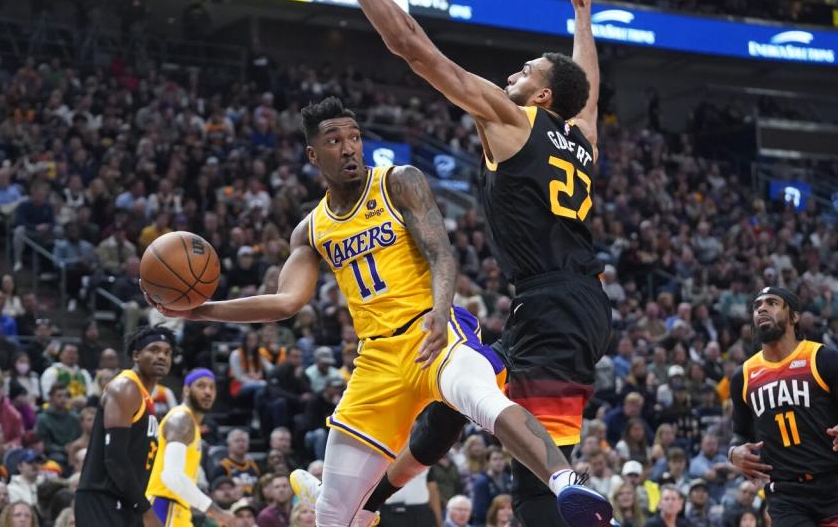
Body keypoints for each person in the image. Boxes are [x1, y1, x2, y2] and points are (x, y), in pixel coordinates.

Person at [297, 0, 611, 525]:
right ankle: (370, 505)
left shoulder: (512, 118)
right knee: (447, 404)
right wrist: (582, 18)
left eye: (524, 71)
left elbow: (413, 45)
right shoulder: (580, 139)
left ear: (539, 93)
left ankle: (577, 500)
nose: (512, 75)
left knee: (541, 483)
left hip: (553, 306)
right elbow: (589, 92)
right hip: (570, 304)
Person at [148, 97, 606, 526]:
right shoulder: (311, 230)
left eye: (354, 137)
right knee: (333, 516)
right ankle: (354, 509)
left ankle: (565, 482)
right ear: (313, 156)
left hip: (434, 334)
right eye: (334, 141)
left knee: (482, 398)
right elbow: (287, 302)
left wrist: (440, 310)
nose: (349, 149)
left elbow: (441, 255)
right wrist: (200, 310)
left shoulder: (398, 181)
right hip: (377, 362)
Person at [729, 286, 838, 527]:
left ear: (794, 316)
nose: (762, 309)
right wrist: (733, 453)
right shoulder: (743, 376)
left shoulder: (824, 359)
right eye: (757, 306)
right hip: (785, 496)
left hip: (834, 487)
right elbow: (739, 434)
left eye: (772, 303)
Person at [75, 325, 175, 527]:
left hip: (126, 500)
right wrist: (146, 510)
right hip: (103, 499)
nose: (162, 356)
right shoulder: (125, 387)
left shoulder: (146, 398)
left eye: (167, 352)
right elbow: (115, 458)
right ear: (136, 355)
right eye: (154, 350)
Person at [145, 368, 237, 527]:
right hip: (164, 508)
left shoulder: (191, 424)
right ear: (186, 390)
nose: (208, 392)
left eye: (212, 387)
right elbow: (172, 476)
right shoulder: (182, 419)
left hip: (177, 510)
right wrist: (215, 511)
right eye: (201, 386)